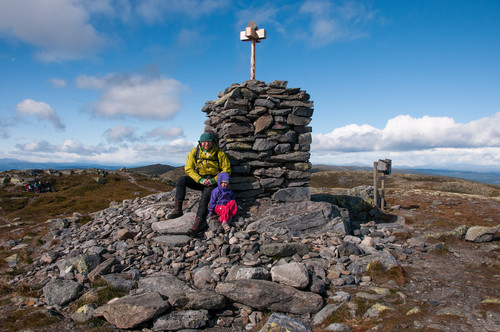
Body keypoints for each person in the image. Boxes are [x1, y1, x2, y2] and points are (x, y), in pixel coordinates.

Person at [167, 131, 231, 236]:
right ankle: (177, 210)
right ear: (200, 142)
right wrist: (200, 180)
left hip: (212, 181)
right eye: (204, 142)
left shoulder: (219, 153)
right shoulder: (195, 152)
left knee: (204, 198)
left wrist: (214, 180)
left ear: (212, 141)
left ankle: (196, 225)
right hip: (200, 180)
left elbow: (226, 170)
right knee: (181, 180)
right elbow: (188, 168)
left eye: (209, 141)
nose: (206, 144)